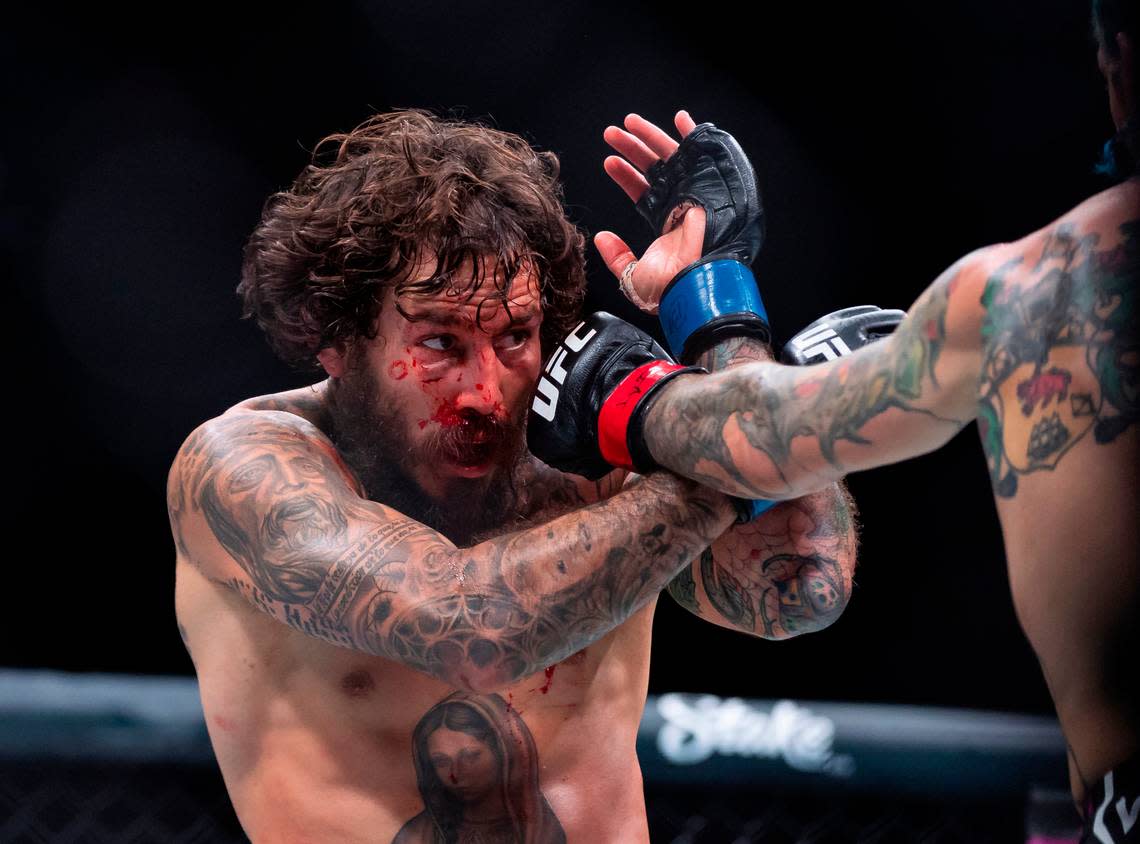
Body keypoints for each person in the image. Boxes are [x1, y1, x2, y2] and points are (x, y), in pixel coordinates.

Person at [167, 110, 857, 841]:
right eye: (440, 342)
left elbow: (799, 589)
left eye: (515, 337)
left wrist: (718, 317)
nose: (485, 392)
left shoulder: (588, 460)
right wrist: (740, 437)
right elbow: (469, 633)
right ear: (337, 339)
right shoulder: (246, 468)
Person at [542, 3, 1137, 838]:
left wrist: (671, 354)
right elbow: (800, 588)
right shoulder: (312, 467)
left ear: (1117, 66)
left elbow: (781, 509)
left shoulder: (1040, 297)